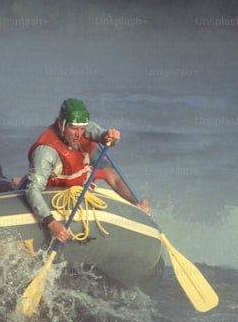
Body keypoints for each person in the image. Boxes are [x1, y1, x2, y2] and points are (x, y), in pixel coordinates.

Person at [26, 97, 150, 243]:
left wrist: (111, 137)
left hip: (74, 186)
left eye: (82, 128)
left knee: (97, 156)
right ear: (61, 124)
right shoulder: (46, 151)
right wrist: (51, 222)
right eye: (73, 128)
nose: (78, 134)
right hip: (50, 190)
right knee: (32, 181)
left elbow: (103, 138)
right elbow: (32, 189)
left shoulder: (84, 130)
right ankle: (16, 184)